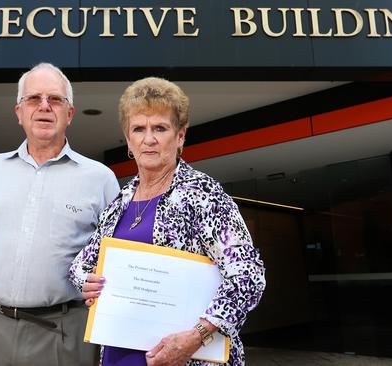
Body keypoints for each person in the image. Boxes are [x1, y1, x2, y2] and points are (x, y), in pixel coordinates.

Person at [0, 62, 119, 366]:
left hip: (65, 333)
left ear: (69, 114)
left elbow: (116, 266)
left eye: (55, 99)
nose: (44, 106)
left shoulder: (101, 179)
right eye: (33, 99)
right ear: (18, 112)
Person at [69, 77, 266, 366]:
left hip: (187, 356)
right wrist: (87, 282)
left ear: (180, 136)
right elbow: (80, 265)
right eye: (139, 129)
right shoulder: (120, 201)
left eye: (160, 128)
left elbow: (248, 276)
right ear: (128, 139)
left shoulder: (203, 194)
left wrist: (198, 334)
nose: (149, 139)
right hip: (120, 355)